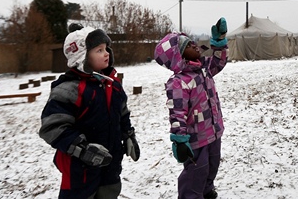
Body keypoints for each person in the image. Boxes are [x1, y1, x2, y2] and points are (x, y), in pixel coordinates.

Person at [39, 23, 140, 199]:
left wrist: (128, 135)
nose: (106, 53)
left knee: (109, 193)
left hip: (110, 164)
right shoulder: (69, 89)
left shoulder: (112, 85)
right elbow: (52, 127)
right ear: (81, 56)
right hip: (80, 170)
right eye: (99, 50)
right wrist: (82, 149)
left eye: (106, 48)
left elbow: (122, 113)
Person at [154, 17, 228, 199]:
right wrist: (179, 139)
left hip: (213, 132)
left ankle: (207, 192)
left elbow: (219, 62)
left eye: (192, 42)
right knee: (197, 172)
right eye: (188, 45)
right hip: (196, 139)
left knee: (212, 166)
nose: (195, 46)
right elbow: (177, 112)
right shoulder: (178, 82)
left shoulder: (204, 69)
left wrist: (219, 42)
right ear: (178, 56)